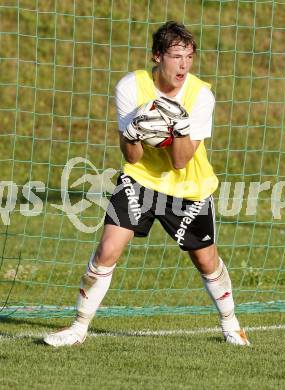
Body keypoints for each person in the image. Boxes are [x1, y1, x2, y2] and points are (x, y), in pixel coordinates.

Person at [44, 21, 250, 347]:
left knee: (205, 260)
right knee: (107, 249)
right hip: (141, 180)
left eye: (189, 57)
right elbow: (132, 156)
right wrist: (134, 131)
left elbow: (181, 160)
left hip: (188, 186)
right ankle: (78, 328)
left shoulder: (200, 96)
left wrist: (179, 127)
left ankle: (231, 323)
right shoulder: (130, 87)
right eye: (176, 56)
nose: (184, 65)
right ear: (157, 56)